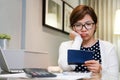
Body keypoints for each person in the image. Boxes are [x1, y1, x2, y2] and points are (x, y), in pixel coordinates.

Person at [58, 5, 119, 78]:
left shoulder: (109, 47)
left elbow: (115, 77)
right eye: (78, 25)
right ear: (73, 27)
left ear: (95, 25)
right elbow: (65, 67)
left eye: (88, 24)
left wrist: (101, 71)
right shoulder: (65, 46)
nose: (83, 29)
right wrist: (77, 40)